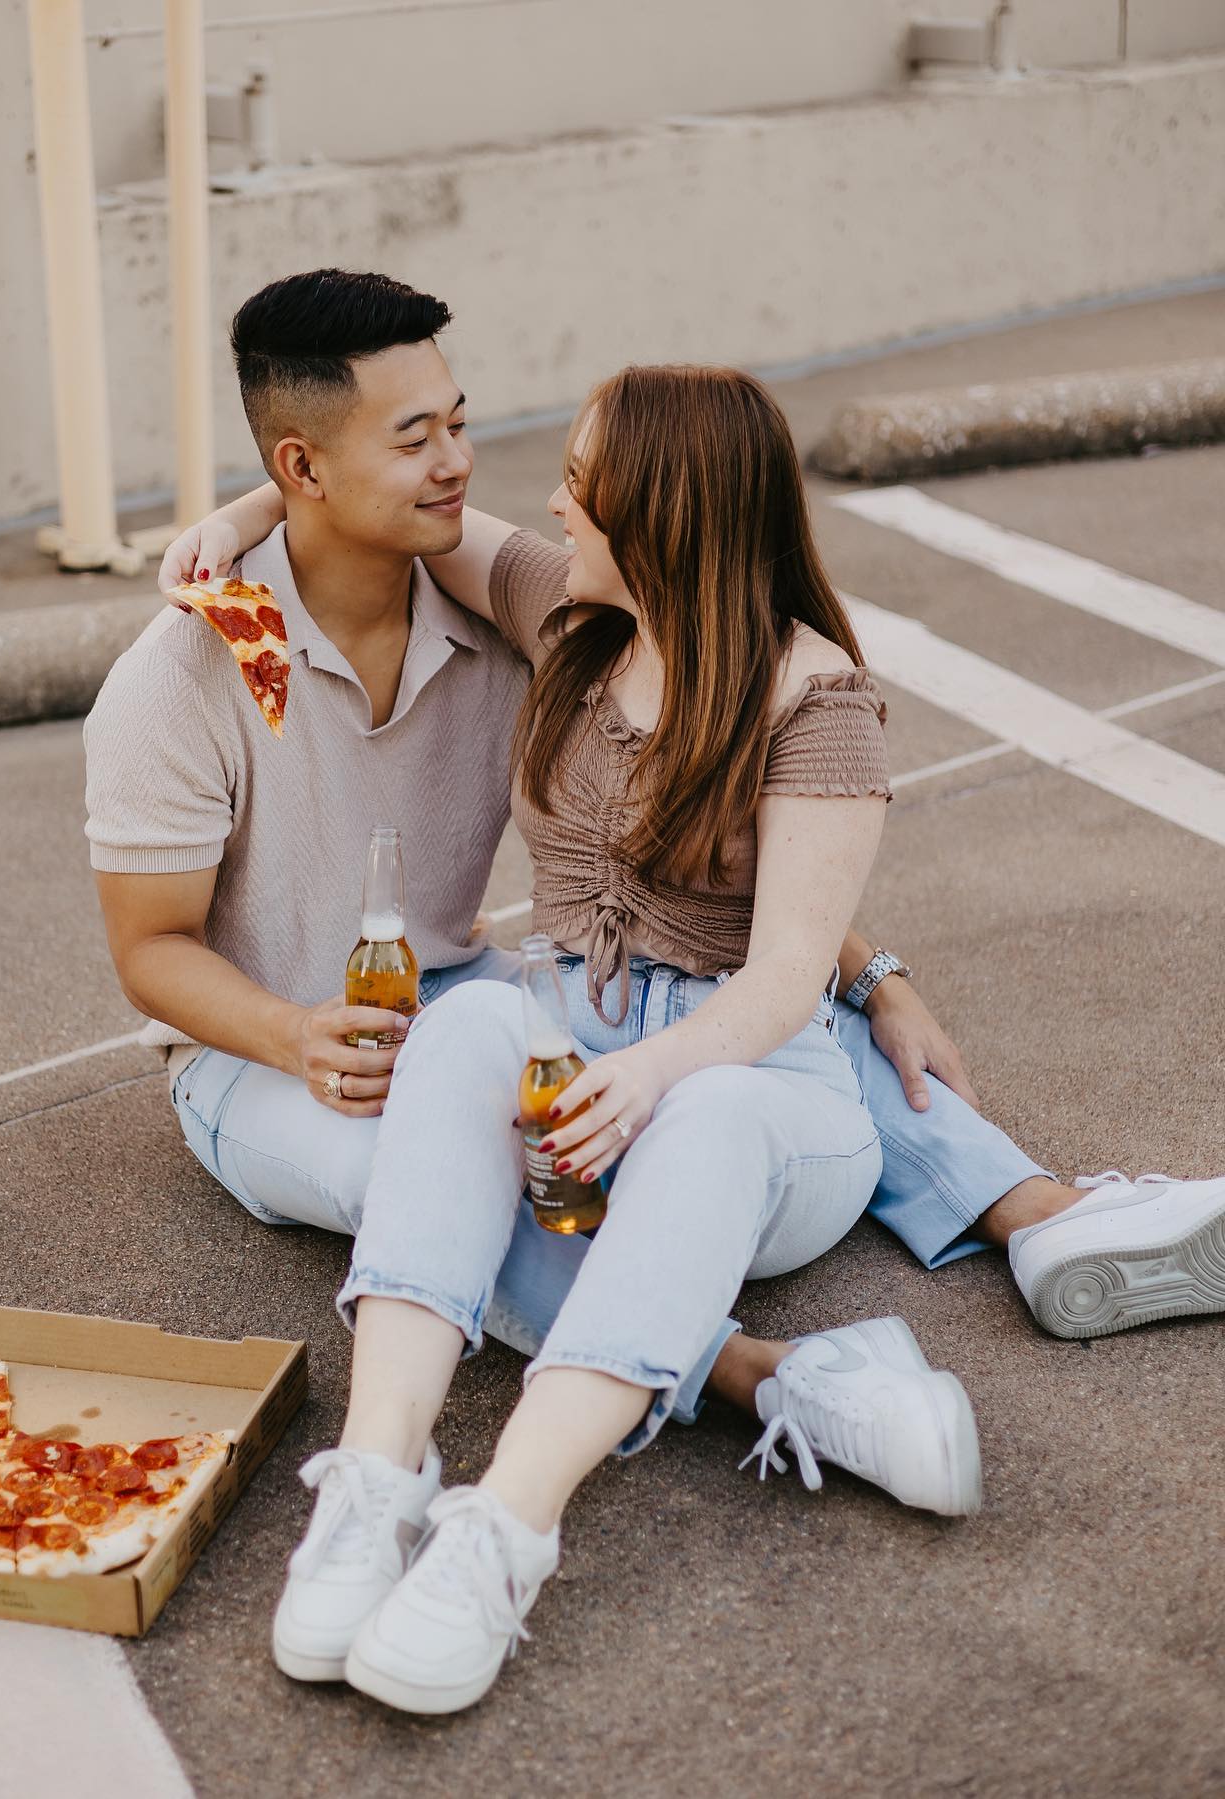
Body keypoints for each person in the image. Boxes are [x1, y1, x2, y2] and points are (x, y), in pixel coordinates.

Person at [124, 267, 1222, 1364]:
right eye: (418, 438)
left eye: (458, 426)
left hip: (493, 1000)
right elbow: (149, 949)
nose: (464, 464)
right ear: (306, 464)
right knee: (452, 1168)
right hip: (281, 1050)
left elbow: (714, 876)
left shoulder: (555, 617)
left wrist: (870, 972)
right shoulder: (209, 668)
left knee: (767, 1015)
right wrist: (294, 1034)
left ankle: (1039, 1212)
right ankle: (754, 1373)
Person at [272, 360, 987, 1713]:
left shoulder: (816, 699)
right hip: (575, 1049)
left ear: (659, 512)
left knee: (705, 1112)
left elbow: (782, 981)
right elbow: (378, 499)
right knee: (470, 1013)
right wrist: (263, 496)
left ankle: (507, 1526)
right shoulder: (575, 613)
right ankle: (375, 1482)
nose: (548, 502)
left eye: (582, 486)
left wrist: (654, 1074)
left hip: (756, 1095)